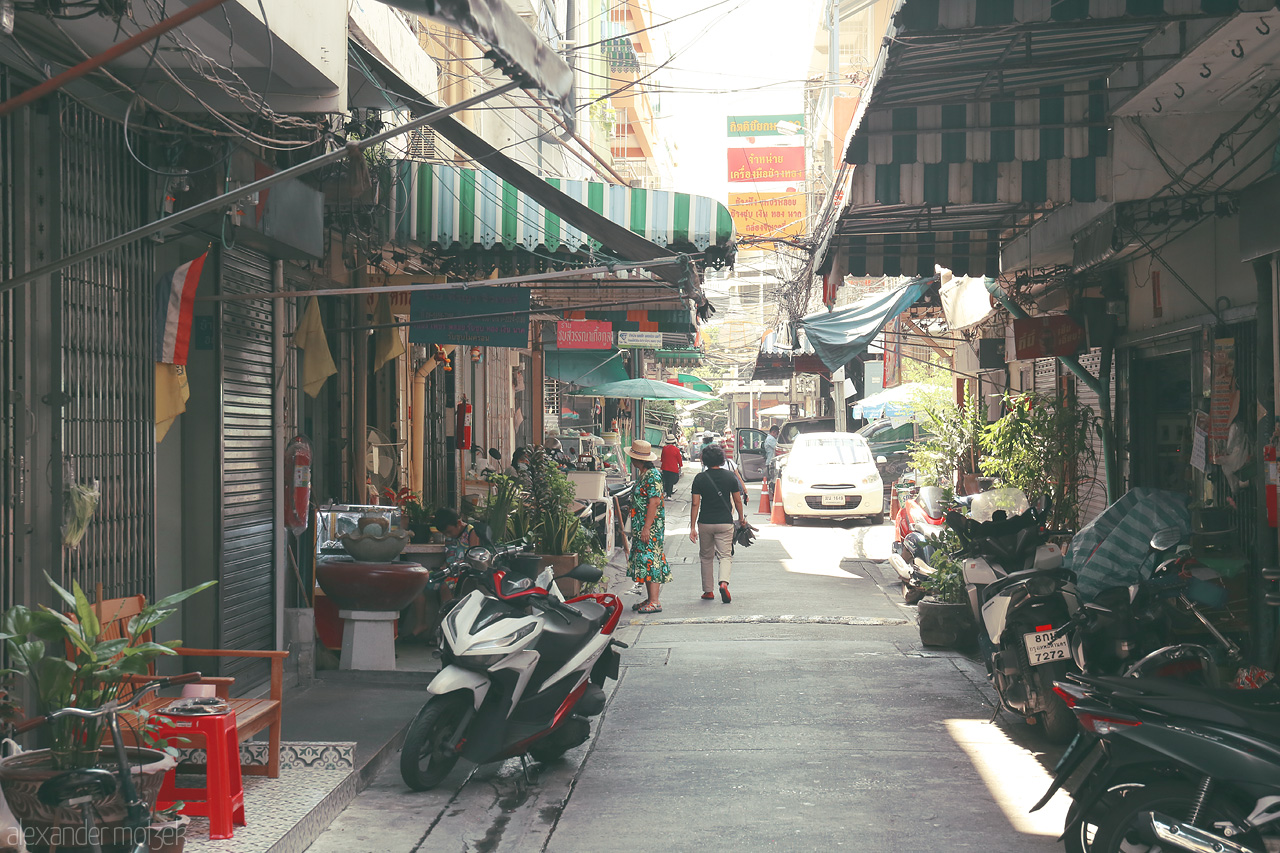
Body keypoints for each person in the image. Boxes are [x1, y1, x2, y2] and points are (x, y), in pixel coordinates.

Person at [690, 444, 749, 603]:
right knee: (725, 555)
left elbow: (695, 504)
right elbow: (737, 500)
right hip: (725, 522)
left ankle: (708, 591)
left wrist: (692, 527)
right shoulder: (730, 477)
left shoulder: (700, 478)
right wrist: (741, 518)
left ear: (704, 461)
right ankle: (723, 583)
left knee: (706, 556)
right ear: (722, 459)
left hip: (705, 523)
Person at [625, 439, 669, 614]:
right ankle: (650, 598)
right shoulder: (646, 474)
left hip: (650, 527)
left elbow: (654, 502)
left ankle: (655, 601)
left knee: (652, 560)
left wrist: (646, 527)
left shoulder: (652, 476)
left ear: (638, 460)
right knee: (645, 560)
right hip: (644, 525)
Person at [660, 434, 684, 498]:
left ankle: (665, 492)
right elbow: (679, 459)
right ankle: (669, 495)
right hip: (673, 468)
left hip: (665, 467)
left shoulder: (664, 449)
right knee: (671, 481)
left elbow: (662, 458)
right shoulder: (676, 449)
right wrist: (680, 466)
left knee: (666, 480)